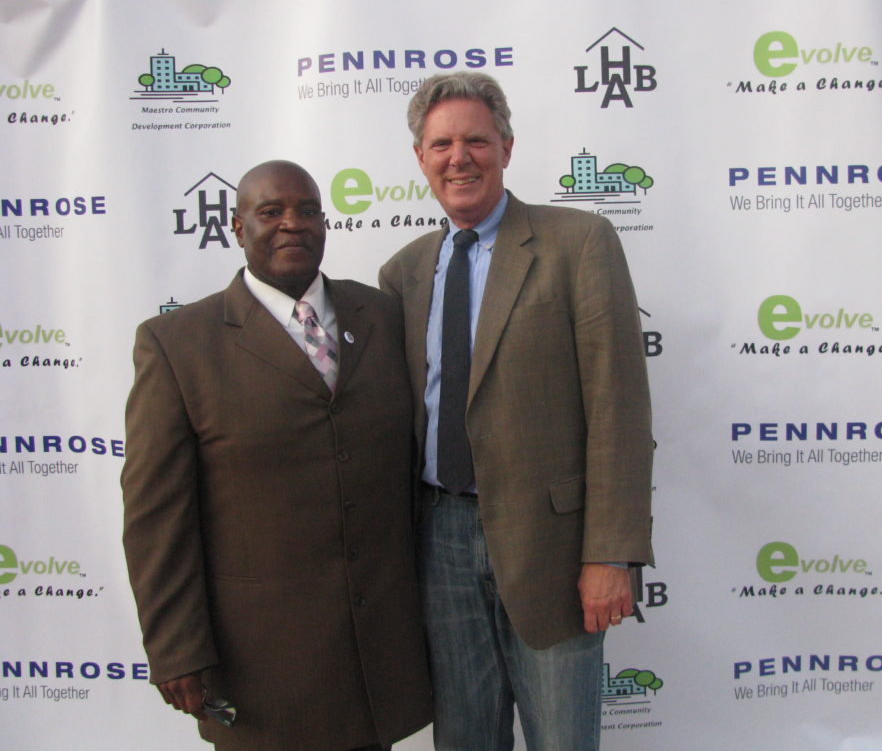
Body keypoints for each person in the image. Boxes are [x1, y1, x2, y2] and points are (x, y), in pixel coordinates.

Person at [379, 73, 654, 751]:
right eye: (441, 144)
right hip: (437, 537)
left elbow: (617, 404)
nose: (459, 157)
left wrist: (610, 553)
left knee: (562, 738)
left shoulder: (578, 243)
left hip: (554, 546)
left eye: (476, 139)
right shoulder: (403, 274)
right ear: (420, 158)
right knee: (465, 737)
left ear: (506, 146)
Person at [122, 160, 431, 751]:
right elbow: (156, 519)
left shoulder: (385, 318)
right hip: (262, 669)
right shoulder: (178, 345)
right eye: (271, 212)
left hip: (376, 658)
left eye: (307, 210)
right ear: (236, 228)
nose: (292, 224)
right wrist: (175, 647)